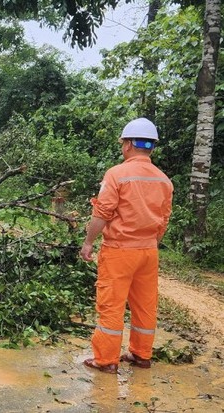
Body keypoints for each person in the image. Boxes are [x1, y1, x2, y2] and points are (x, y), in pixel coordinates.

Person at [79, 118, 174, 374]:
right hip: (148, 252)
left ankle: (106, 359)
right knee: (144, 304)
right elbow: (163, 220)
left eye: (123, 143)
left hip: (120, 251)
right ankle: (142, 355)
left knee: (112, 304)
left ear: (129, 144)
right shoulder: (164, 180)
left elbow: (102, 213)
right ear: (151, 147)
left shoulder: (117, 174)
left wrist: (89, 242)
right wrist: (150, 243)